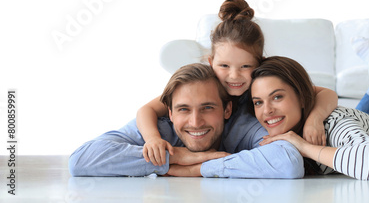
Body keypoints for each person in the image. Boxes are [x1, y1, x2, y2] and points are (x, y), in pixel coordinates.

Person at [136, 0, 338, 167]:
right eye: (224, 66)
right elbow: (147, 110)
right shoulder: (203, 85)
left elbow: (326, 93)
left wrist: (315, 118)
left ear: (259, 64)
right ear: (211, 62)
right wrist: (153, 138)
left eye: (245, 67)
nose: (234, 76)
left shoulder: (263, 82)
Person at [250, 34, 369, 181]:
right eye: (258, 102)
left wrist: (304, 147)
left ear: (302, 97)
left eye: (277, 97)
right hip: (366, 123)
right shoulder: (277, 125)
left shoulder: (337, 127)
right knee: (357, 119)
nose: (266, 110)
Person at [68, 63, 304, 178]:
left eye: (207, 108)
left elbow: (287, 161)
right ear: (169, 113)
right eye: (183, 109)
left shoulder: (242, 125)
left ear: (227, 109)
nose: (195, 122)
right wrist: (177, 157)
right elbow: (81, 160)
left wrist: (199, 168)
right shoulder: (159, 128)